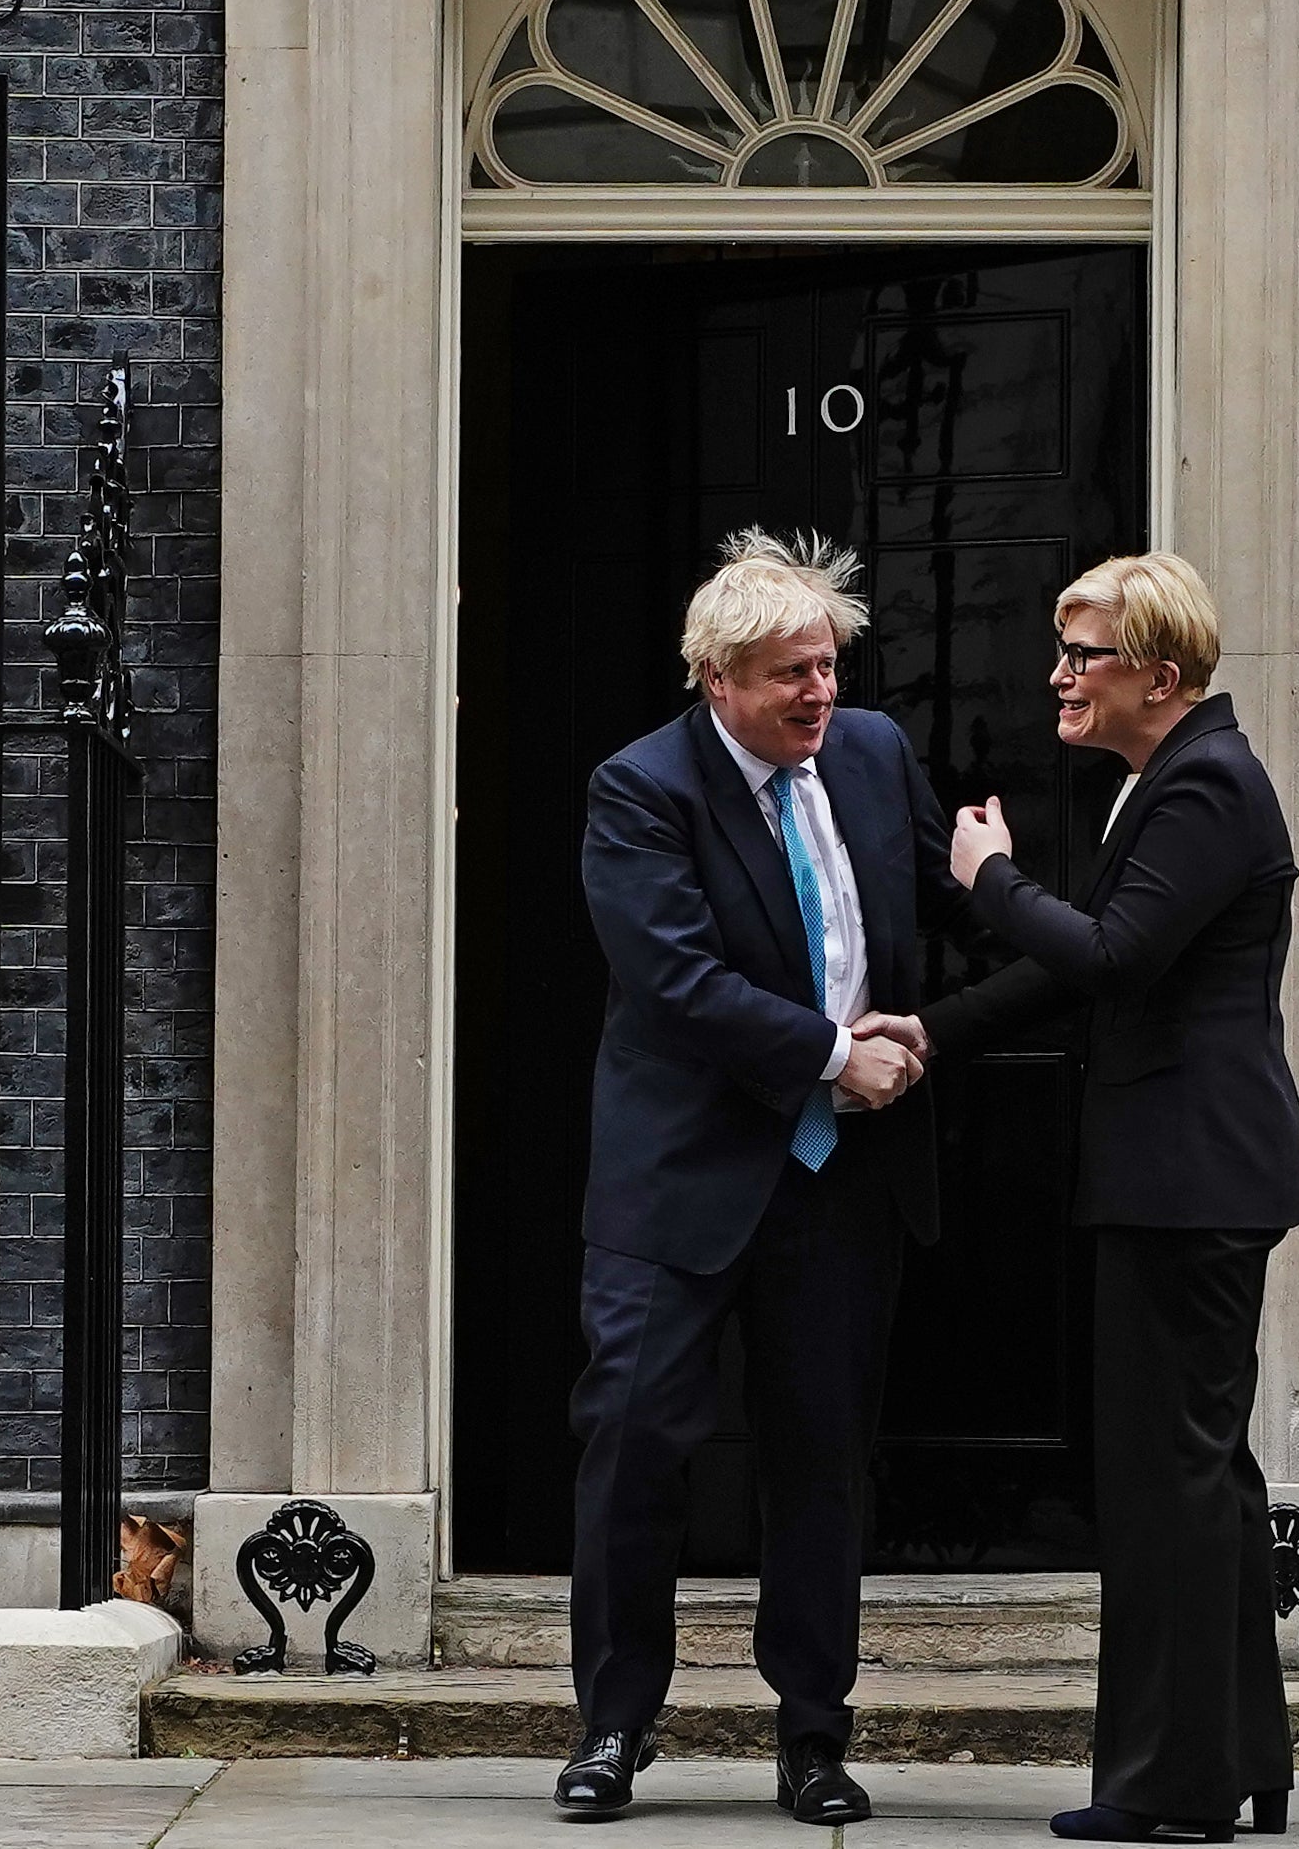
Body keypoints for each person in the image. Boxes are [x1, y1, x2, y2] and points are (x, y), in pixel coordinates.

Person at [882, 552, 1299, 1845]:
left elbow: (1111, 959)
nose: (1059, 676)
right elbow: (1095, 967)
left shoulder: (1205, 787)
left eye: (1085, 655)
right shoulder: (1174, 782)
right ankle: (1242, 1762)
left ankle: (1173, 1790)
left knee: (1166, 1480)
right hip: (1192, 1169)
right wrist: (937, 1029)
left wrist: (987, 879)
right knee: (1204, 1475)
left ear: (1160, 677)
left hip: (1190, 1173)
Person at [561, 529, 947, 1826]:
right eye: (791, 675)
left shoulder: (878, 756)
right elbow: (676, 985)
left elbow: (941, 902)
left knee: (824, 1459)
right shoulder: (641, 790)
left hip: (844, 1184)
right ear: (716, 678)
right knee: (632, 1445)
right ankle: (614, 1725)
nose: (820, 696)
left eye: (829, 668)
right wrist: (839, 1052)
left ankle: (815, 1737)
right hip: (681, 1181)